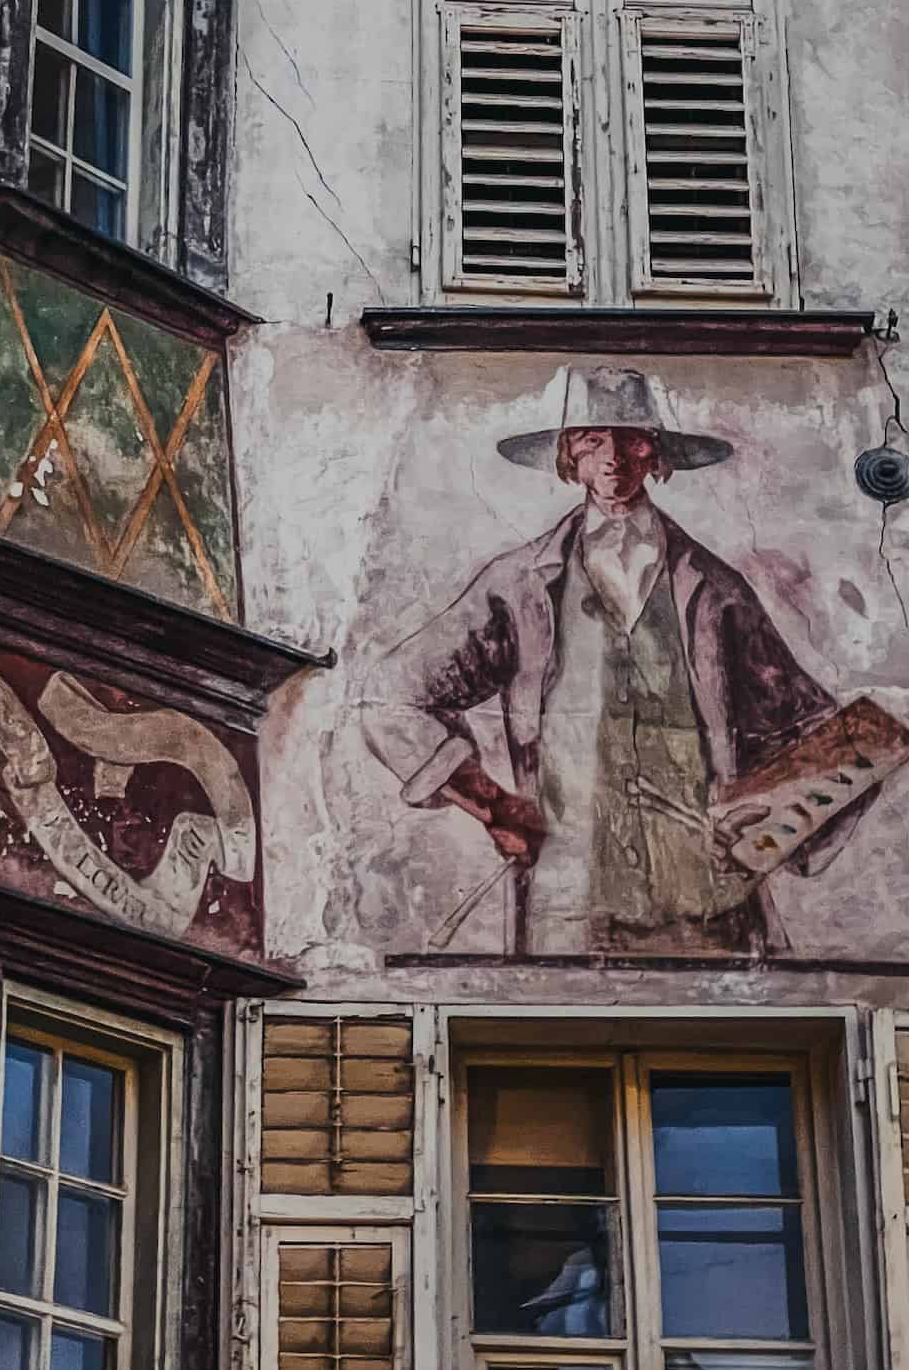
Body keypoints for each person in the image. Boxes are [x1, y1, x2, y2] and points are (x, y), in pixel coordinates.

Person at [359, 368, 849, 956]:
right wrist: (489, 803)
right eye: (591, 440)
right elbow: (389, 695)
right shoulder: (518, 585)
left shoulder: (717, 590)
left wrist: (767, 824)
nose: (612, 456)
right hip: (568, 904)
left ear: (658, 456)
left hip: (712, 904)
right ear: (568, 457)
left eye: (632, 439)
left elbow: (821, 729)